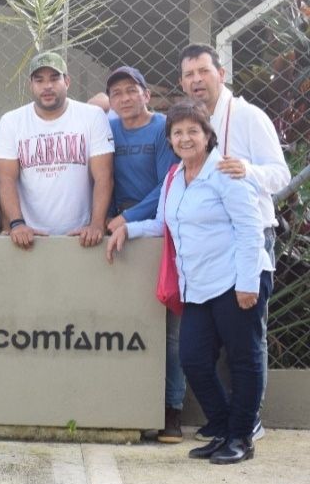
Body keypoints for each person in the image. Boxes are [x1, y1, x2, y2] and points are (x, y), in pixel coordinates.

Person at [107, 103, 272, 465]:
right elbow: (162, 224)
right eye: (177, 133)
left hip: (235, 280)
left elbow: (249, 230)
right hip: (196, 284)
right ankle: (224, 427)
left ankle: (241, 436)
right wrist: (127, 229)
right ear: (170, 139)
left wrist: (248, 283)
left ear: (207, 135)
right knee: (194, 359)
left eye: (192, 131)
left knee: (244, 359)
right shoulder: (173, 177)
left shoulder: (227, 173)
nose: (185, 138)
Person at [179, 43, 291, 442]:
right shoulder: (192, 124)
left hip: (250, 234)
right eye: (189, 74)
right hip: (210, 246)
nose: (196, 80)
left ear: (220, 74)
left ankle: (247, 424)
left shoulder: (247, 116)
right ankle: (228, 419)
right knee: (203, 347)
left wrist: (248, 171)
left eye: (203, 72)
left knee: (244, 340)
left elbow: (280, 174)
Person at [103, 65, 184, 443]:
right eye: (116, 93)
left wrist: (126, 218)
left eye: (131, 90)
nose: (124, 98)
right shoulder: (108, 127)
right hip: (118, 234)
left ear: (146, 94)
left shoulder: (164, 129)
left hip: (158, 230)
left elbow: (166, 186)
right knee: (121, 326)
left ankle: (172, 409)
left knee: (167, 327)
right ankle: (128, 406)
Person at [0, 51, 114, 250]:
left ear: (67, 81)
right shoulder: (11, 121)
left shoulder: (92, 117)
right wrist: (17, 223)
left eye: (54, 78)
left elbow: (104, 176)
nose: (47, 86)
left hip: (80, 235)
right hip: (30, 235)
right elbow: (6, 178)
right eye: (39, 80)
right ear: (30, 85)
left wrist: (96, 224)